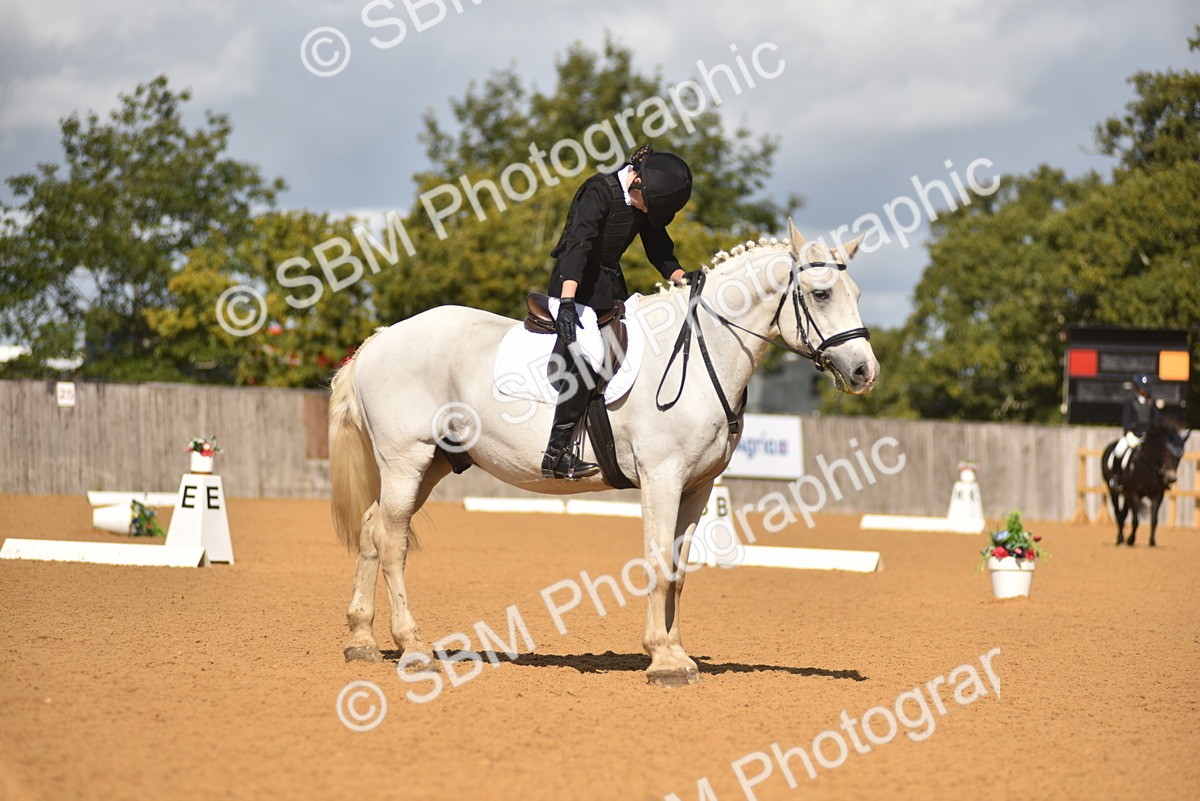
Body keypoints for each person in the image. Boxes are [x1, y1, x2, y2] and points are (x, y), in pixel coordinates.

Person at [541, 145, 692, 480]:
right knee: (591, 351)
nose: (646, 214)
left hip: (608, 285)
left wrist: (682, 277)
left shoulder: (643, 195)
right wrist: (567, 302)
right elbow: (578, 245)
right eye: (648, 206)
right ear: (636, 182)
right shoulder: (599, 191)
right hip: (574, 281)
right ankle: (556, 452)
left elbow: (658, 245)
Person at [1113, 372, 1160, 463]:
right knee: (1119, 451)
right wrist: (1128, 432)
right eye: (1142, 387)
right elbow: (1125, 419)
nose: (1144, 390)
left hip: (1148, 435)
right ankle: (1116, 475)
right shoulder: (1130, 401)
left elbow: (1157, 418)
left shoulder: (1152, 401)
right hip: (1133, 434)